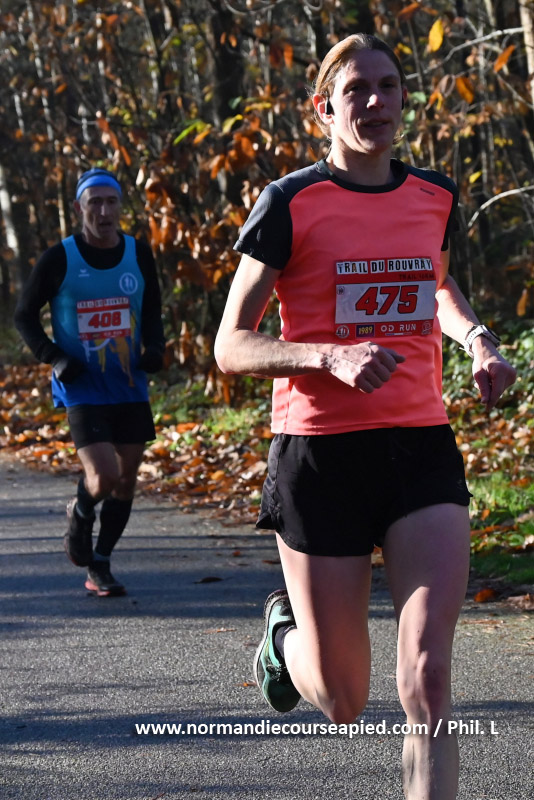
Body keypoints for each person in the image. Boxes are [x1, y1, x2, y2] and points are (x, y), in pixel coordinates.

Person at [214, 34, 516, 800]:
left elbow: (435, 285)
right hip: (321, 458)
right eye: (357, 89)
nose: (377, 101)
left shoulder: (434, 196)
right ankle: (284, 640)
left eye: (389, 85)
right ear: (324, 107)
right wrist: (327, 357)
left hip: (420, 449)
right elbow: (230, 345)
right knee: (344, 699)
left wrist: (478, 340)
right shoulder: (291, 203)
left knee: (429, 678)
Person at [15, 167, 165, 598]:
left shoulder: (138, 253)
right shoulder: (60, 258)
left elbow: (151, 309)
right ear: (79, 207)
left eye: (110, 201)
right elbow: (24, 316)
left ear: (120, 206)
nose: (103, 211)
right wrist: (54, 357)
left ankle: (100, 563)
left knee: (126, 480)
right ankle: (81, 513)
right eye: (94, 202)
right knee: (103, 476)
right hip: (81, 386)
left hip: (129, 384)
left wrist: (155, 348)